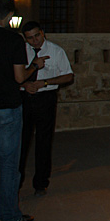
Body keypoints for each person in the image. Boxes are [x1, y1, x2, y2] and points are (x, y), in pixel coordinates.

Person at [0, 0, 35, 221]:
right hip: (7, 107)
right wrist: (34, 67)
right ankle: (9, 216)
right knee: (8, 165)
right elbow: (19, 77)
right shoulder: (13, 40)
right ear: (9, 16)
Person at [19, 21, 74, 196]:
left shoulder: (56, 51)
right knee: (20, 142)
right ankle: (14, 182)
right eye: (30, 38)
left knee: (43, 141)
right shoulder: (21, 50)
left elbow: (68, 76)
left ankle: (41, 182)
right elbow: (14, 75)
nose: (35, 41)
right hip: (25, 97)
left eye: (37, 36)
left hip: (45, 97)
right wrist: (25, 84)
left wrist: (45, 82)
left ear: (43, 33)